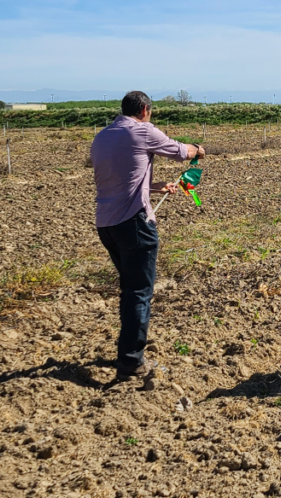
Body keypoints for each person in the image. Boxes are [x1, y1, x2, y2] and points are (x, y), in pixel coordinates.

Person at [90, 91, 206, 380]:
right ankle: (131, 361)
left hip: (107, 224)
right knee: (140, 292)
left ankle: (126, 351)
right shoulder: (141, 130)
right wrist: (198, 149)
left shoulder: (103, 136)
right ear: (144, 110)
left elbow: (123, 177)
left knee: (130, 290)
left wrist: (154, 186)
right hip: (133, 223)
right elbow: (181, 152)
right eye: (150, 112)